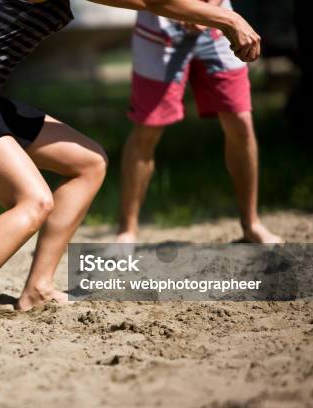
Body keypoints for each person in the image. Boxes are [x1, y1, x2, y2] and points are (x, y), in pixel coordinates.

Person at [0, 0, 262, 331]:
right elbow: (151, 1)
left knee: (88, 162)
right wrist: (226, 17)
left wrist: (195, 12)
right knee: (33, 201)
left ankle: (38, 289)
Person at [116, 0, 282, 244]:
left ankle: (251, 224)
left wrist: (208, 11)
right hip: (159, 26)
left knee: (241, 121)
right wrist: (184, 10)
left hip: (218, 24)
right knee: (147, 128)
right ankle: (127, 231)